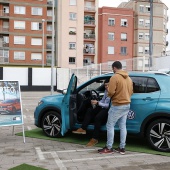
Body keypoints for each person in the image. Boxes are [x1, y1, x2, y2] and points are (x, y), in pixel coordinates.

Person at [98, 61, 133, 155]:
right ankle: (122, 148)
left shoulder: (114, 77)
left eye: (112, 68)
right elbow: (131, 92)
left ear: (114, 68)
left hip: (117, 104)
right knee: (122, 126)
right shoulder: (129, 78)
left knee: (110, 125)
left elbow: (111, 92)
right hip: (127, 104)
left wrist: (110, 94)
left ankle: (109, 147)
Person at [72, 79, 110, 147]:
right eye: (105, 85)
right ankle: (83, 128)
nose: (106, 87)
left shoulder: (113, 92)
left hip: (108, 109)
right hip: (102, 107)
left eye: (108, 85)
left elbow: (108, 105)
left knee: (97, 118)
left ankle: (95, 138)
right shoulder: (106, 91)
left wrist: (98, 103)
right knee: (90, 110)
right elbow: (103, 100)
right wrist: (97, 102)